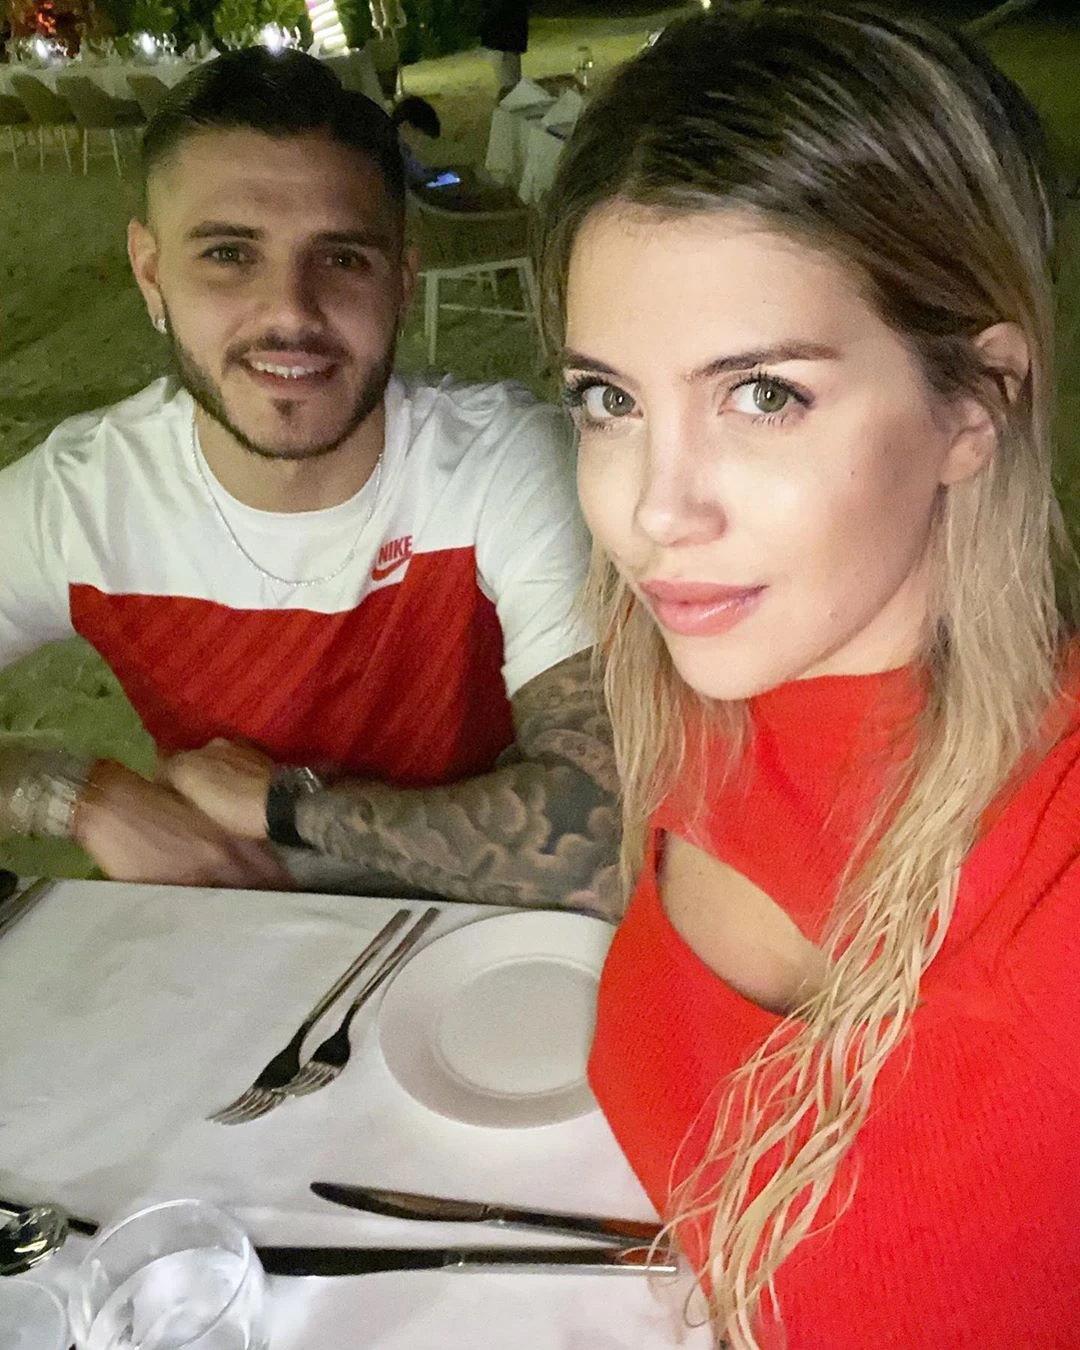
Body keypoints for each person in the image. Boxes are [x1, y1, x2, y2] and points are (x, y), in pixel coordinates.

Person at [539, 3, 1080, 1345]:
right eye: (610, 399)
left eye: (764, 394)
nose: (655, 510)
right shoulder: (700, 688)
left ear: (977, 403)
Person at [0, 47, 618, 914]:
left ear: (402, 283)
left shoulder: (501, 464)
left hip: (485, 933)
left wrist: (286, 806)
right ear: (151, 274)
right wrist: (77, 797)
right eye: (228, 253)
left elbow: (603, 836)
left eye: (342, 259)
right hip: (228, 930)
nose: (290, 311)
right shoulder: (80, 500)